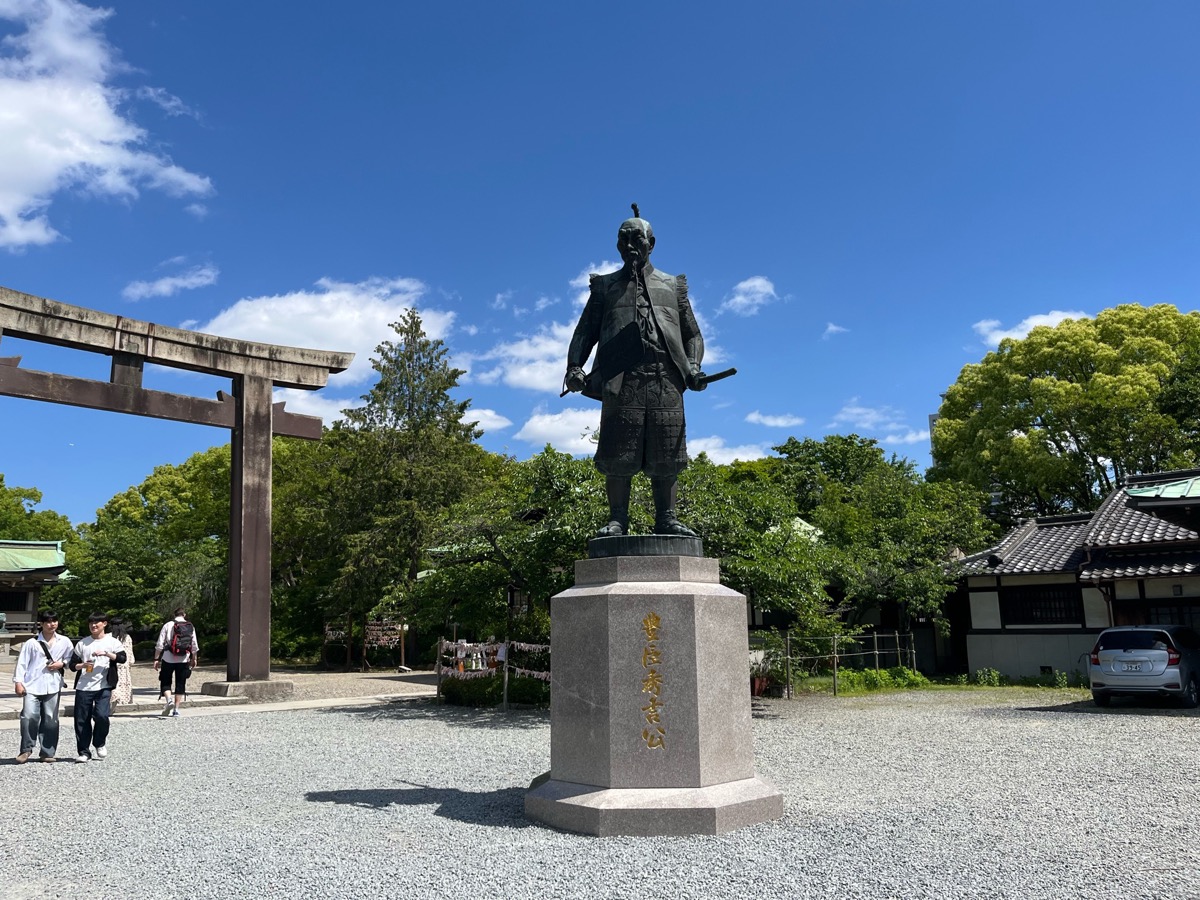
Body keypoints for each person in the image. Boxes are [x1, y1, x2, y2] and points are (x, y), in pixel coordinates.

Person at [564, 204, 707, 537]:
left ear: (651, 243)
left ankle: (667, 518)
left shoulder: (672, 286)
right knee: (618, 452)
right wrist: (575, 367)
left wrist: (695, 366)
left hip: (665, 379)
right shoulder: (605, 287)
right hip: (621, 379)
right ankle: (617, 519)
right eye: (623, 239)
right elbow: (585, 331)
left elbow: (693, 335)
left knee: (666, 451)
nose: (630, 245)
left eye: (636, 239)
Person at [12, 610, 73, 763]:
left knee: (51, 718)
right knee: (29, 716)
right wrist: (18, 682)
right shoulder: (31, 643)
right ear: (41, 624)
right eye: (48, 622)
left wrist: (62, 664)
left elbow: (71, 658)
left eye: (54, 621)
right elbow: (22, 663)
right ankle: (26, 749)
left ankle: (47, 752)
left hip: (53, 684)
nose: (52, 624)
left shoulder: (64, 641)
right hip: (32, 684)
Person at [69, 612, 126, 763]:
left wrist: (107, 654)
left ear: (104, 624)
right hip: (84, 686)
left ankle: (99, 742)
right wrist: (83, 665)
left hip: (104, 686)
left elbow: (122, 658)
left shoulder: (113, 642)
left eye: (97, 623)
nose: (93, 626)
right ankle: (84, 752)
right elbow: (72, 665)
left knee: (102, 716)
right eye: (91, 623)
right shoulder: (82, 643)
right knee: (82, 719)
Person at [153, 608, 199, 717]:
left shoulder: (168, 625)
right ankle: (176, 710)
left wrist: (156, 659)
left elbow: (160, 644)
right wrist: (194, 658)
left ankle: (169, 700)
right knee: (180, 682)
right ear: (184, 615)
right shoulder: (190, 626)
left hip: (168, 658)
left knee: (165, 681)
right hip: (183, 658)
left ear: (174, 615)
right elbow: (194, 645)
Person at [110, 618, 135, 706]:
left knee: (113, 683)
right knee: (122, 683)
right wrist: (130, 662)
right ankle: (120, 699)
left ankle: (113, 700)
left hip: (112, 664)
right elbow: (129, 652)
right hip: (124, 664)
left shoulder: (109, 636)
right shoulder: (127, 637)